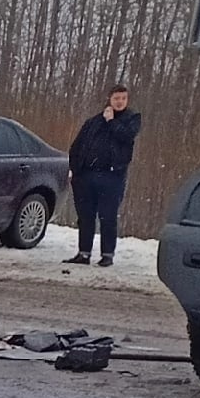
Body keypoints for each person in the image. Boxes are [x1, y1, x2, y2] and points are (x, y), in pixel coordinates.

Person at [67, 85, 140, 267]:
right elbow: (77, 146)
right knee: (85, 216)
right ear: (109, 99)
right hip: (86, 176)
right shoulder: (93, 122)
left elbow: (126, 136)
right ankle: (83, 253)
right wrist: (75, 171)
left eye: (123, 98)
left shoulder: (131, 119)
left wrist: (111, 121)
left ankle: (107, 255)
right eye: (116, 98)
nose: (120, 102)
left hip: (111, 177)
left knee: (108, 217)